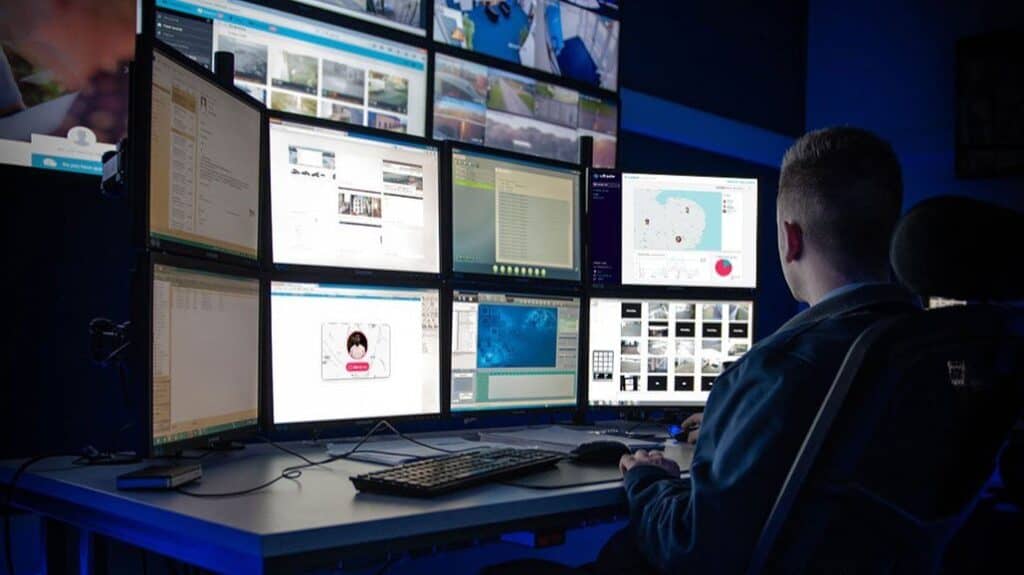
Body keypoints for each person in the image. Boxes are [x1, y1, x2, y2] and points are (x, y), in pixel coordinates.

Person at [482, 126, 914, 575]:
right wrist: (742, 424)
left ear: (790, 238)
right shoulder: (929, 352)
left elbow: (692, 550)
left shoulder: (778, 370)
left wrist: (649, 480)